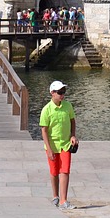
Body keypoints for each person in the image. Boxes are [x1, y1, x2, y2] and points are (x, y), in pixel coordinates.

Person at [39, 80, 78, 210]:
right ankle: (55, 196)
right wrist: (48, 149)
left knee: (65, 171)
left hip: (65, 144)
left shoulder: (68, 106)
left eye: (64, 92)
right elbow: (44, 130)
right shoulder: (46, 110)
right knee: (54, 172)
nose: (62, 95)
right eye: (60, 92)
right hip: (52, 145)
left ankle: (63, 200)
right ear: (52, 93)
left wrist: (73, 135)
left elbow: (73, 121)